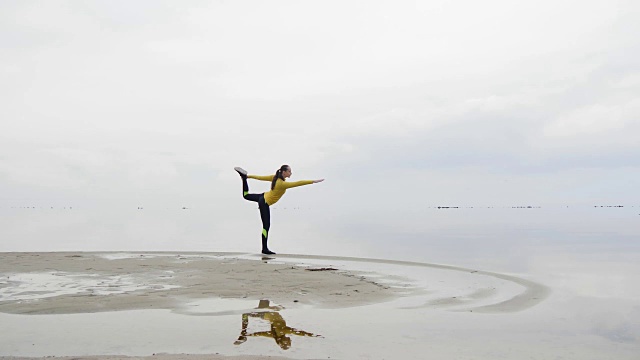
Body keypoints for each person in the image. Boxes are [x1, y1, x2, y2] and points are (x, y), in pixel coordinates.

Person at [234, 165, 324, 255]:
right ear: (284, 172)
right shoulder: (282, 184)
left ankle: (244, 178)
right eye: (289, 171)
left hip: (262, 196)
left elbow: (260, 177)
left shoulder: (275, 178)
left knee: (246, 195)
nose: (290, 173)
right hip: (264, 202)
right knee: (266, 226)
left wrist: (248, 177)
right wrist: (312, 181)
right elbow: (298, 183)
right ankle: (264, 249)